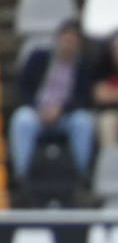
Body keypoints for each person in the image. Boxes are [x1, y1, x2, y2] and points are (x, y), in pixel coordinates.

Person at [8, 20, 96, 180]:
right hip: (37, 112)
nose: (68, 45)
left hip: (65, 115)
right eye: (66, 40)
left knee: (84, 122)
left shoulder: (83, 67)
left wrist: (61, 110)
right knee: (21, 120)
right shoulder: (38, 58)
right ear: (57, 40)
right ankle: (23, 176)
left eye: (73, 42)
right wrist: (38, 108)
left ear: (78, 45)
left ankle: (80, 176)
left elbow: (84, 98)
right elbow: (22, 88)